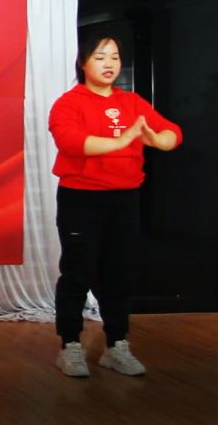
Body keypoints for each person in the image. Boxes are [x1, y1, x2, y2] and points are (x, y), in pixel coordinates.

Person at [49, 30, 182, 377]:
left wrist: (158, 140)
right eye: (100, 57)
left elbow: (171, 132)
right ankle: (70, 345)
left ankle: (116, 344)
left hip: (124, 198)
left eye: (114, 57)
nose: (109, 64)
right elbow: (71, 142)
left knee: (119, 272)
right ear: (83, 62)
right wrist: (123, 140)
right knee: (78, 271)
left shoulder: (132, 102)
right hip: (82, 198)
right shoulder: (69, 103)